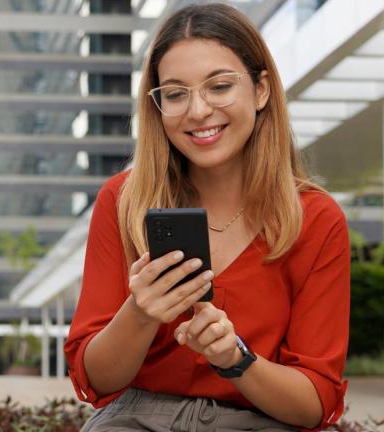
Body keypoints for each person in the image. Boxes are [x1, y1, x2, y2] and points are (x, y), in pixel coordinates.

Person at [65, 3, 349, 431]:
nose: (197, 111)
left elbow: (315, 404)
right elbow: (95, 382)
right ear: (157, 107)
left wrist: (236, 359)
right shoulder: (123, 202)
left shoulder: (316, 218)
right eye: (176, 94)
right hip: (137, 420)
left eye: (218, 87)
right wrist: (140, 314)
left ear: (261, 90)